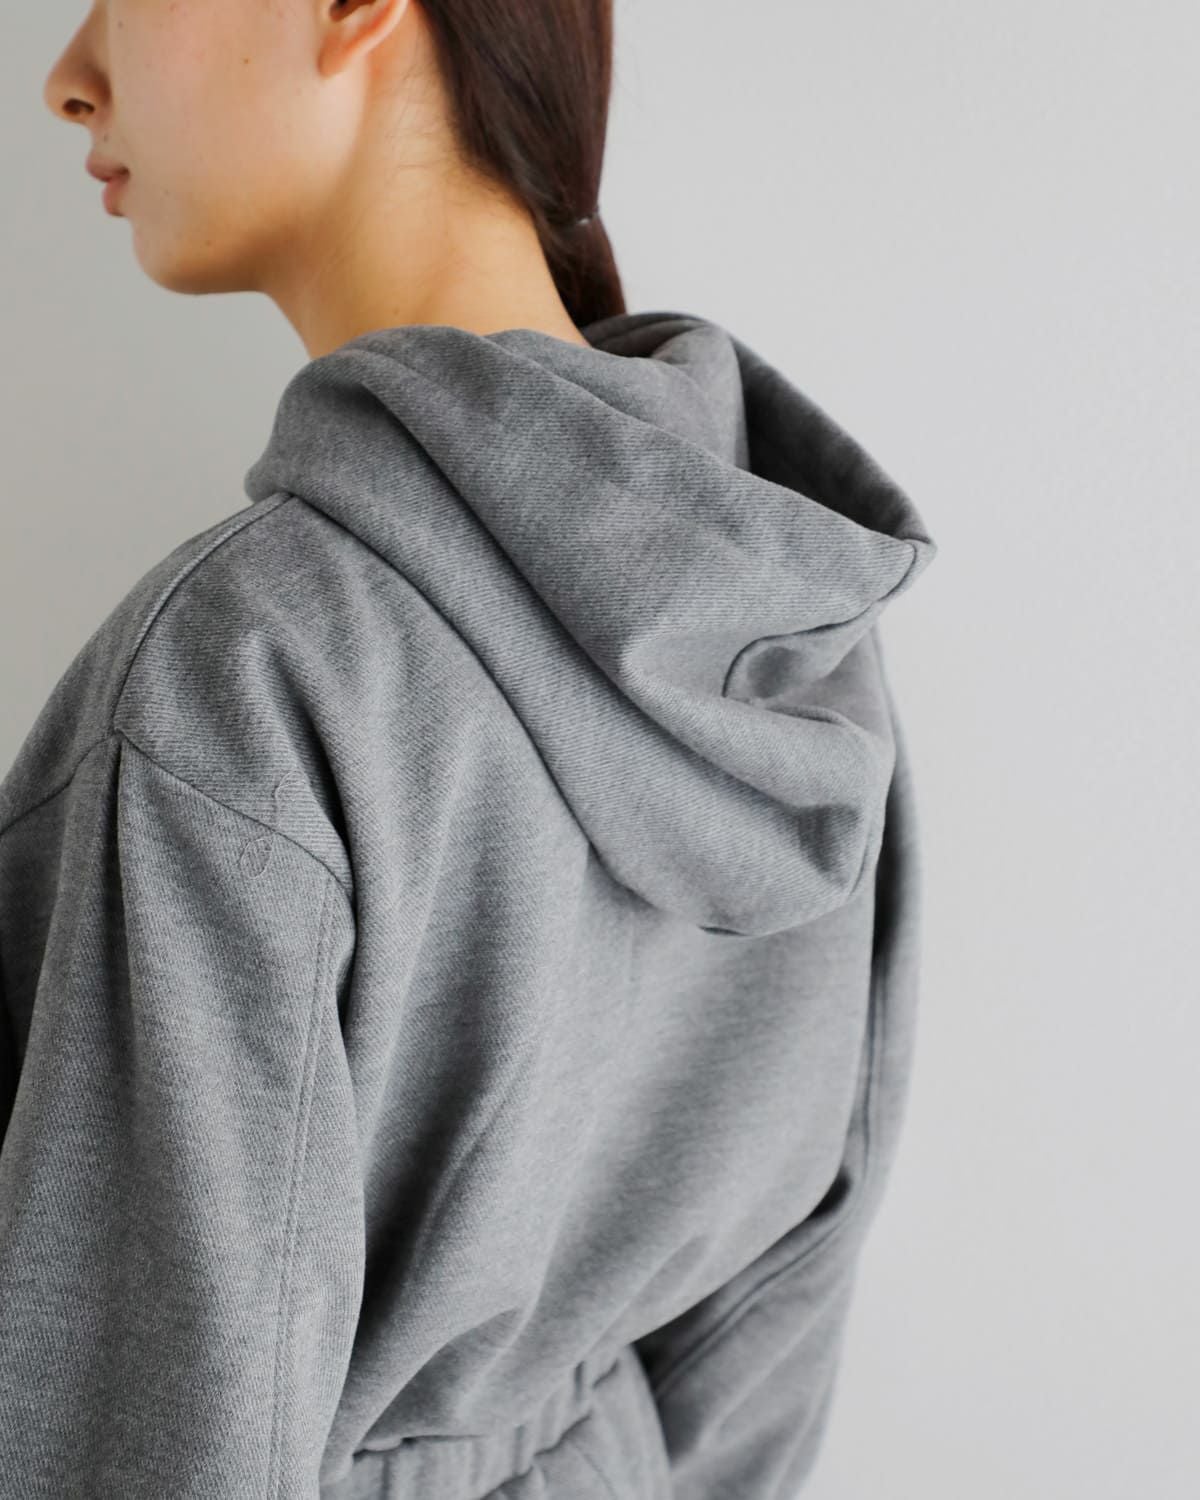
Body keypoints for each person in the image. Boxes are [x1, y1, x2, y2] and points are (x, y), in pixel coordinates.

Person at [1, 1, 938, 1496]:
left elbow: (151, 1439)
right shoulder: (777, 602)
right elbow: (782, 1298)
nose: (69, 73)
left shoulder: (250, 671)